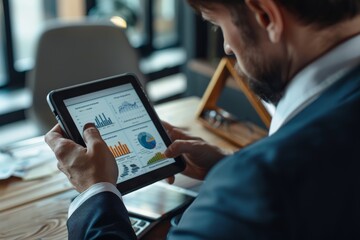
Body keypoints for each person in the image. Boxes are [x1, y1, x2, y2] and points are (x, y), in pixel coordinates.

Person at [45, 0, 360, 239]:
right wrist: (227, 166)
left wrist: (94, 192)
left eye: (217, 23)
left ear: (266, 16)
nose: (226, 46)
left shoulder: (259, 183)